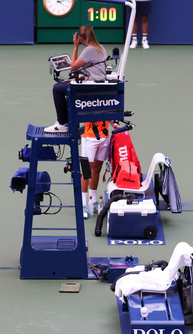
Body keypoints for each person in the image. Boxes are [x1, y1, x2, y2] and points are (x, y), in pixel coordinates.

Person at [44, 26, 112, 217]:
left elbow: (72, 66)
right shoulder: (101, 48)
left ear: (81, 39)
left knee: (58, 88)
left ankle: (62, 123)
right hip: (95, 85)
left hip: (89, 91)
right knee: (94, 169)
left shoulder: (88, 49)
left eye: (79, 40)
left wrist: (74, 48)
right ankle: (90, 201)